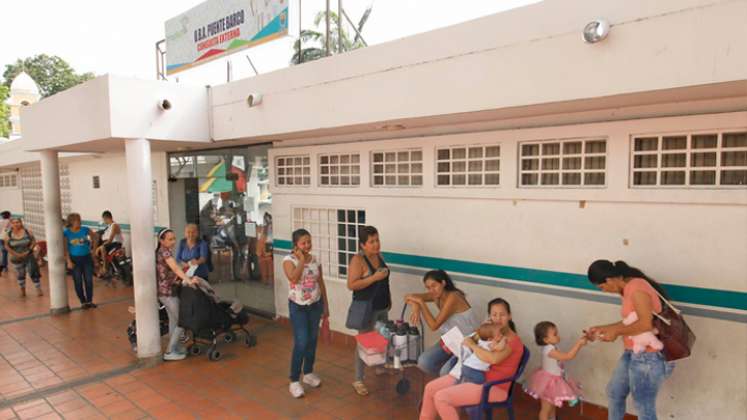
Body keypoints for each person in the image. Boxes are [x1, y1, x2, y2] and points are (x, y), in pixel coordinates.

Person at [585, 260, 674, 420]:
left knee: (643, 406)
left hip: (650, 356)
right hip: (633, 351)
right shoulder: (628, 288)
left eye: (602, 287)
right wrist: (604, 328)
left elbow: (645, 324)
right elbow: (631, 321)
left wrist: (616, 332)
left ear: (609, 280)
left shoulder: (637, 287)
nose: (604, 291)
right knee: (614, 392)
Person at [420, 298, 524, 420]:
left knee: (441, 397)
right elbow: (470, 341)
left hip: (492, 387)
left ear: (509, 316)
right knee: (430, 388)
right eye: (494, 315)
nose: (498, 319)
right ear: (489, 316)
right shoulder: (492, 333)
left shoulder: (512, 340)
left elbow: (493, 359)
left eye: (502, 315)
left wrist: (472, 345)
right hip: (473, 378)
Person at [405, 269, 482, 376]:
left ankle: (452, 381)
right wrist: (416, 306)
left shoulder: (453, 297)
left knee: (445, 372)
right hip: (452, 339)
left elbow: (434, 325)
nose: (431, 290)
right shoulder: (436, 295)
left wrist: (421, 303)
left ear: (443, 283)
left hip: (468, 342)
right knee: (424, 362)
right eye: (428, 287)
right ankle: (446, 382)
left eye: (434, 285)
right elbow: (408, 296)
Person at [282, 229, 330, 398]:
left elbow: (321, 282)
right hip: (298, 306)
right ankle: (294, 380)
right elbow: (293, 279)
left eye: (309, 242)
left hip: (315, 305)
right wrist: (302, 260)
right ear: (296, 244)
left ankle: (308, 373)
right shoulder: (289, 260)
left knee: (312, 340)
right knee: (301, 341)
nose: (307, 245)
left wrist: (325, 305)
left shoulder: (315, 259)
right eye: (303, 243)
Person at [347, 225, 391, 396]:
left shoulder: (380, 257)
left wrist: (389, 299)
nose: (376, 244)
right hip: (366, 308)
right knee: (363, 343)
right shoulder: (358, 260)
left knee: (381, 338)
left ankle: (379, 366)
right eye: (371, 242)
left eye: (377, 240)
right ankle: (358, 379)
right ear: (362, 245)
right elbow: (351, 285)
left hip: (382, 306)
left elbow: (384, 282)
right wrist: (373, 277)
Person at [524, 321, 586, 420]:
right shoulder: (549, 350)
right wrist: (579, 344)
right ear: (546, 339)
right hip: (549, 384)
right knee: (546, 409)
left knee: (552, 406)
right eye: (555, 334)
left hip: (554, 380)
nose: (558, 336)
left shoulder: (551, 347)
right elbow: (568, 356)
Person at [156, 228, 198, 361]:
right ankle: (169, 352)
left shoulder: (162, 251)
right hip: (167, 292)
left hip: (165, 291)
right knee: (182, 320)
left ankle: (174, 347)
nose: (173, 241)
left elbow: (174, 267)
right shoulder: (165, 251)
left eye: (174, 238)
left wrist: (183, 269)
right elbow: (174, 268)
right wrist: (188, 279)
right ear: (161, 240)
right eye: (170, 239)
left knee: (174, 321)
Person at [63, 213, 98, 308]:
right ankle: (83, 301)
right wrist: (68, 261)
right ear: (71, 222)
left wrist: (93, 251)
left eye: (79, 219)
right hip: (75, 260)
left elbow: (95, 237)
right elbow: (65, 248)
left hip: (86, 258)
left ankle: (89, 301)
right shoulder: (66, 233)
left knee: (89, 280)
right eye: (76, 220)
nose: (79, 222)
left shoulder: (85, 229)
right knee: (78, 281)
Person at [4, 218, 43, 297]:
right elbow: (7, 246)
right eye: (14, 223)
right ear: (11, 224)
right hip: (16, 258)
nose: (16, 224)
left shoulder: (27, 232)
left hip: (29, 256)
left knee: (33, 272)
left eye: (18, 222)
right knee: (21, 274)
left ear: (21, 223)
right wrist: (16, 254)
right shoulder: (8, 234)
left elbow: (33, 241)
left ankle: (38, 289)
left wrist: (28, 251)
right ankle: (23, 290)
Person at [94, 210, 124, 277]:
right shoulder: (109, 226)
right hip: (110, 244)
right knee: (94, 251)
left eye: (104, 220)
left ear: (106, 218)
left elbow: (110, 240)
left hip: (115, 244)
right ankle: (100, 269)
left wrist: (99, 247)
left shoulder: (114, 225)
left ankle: (105, 268)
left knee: (102, 248)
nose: (103, 221)